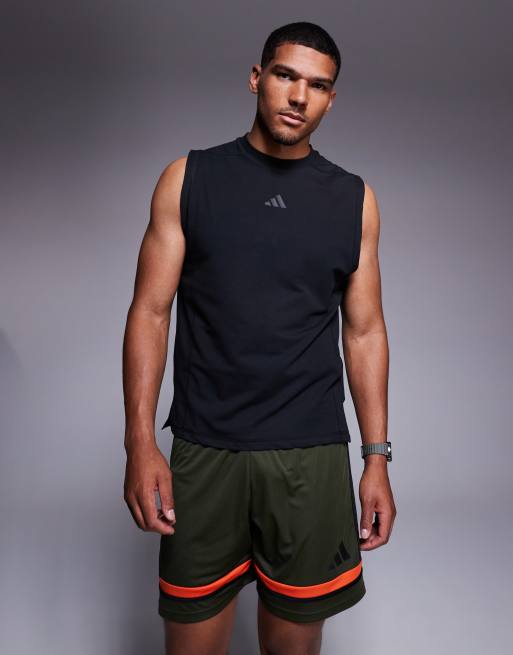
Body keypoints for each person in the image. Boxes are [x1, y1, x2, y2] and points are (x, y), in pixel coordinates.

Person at [123, 20, 396, 655]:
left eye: (317, 86)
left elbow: (365, 331)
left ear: (331, 99)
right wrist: (139, 443)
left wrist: (376, 459)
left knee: (292, 648)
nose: (299, 96)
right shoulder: (189, 178)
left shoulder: (353, 199)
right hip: (204, 449)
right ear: (256, 78)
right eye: (285, 76)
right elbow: (149, 313)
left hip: (310, 455)